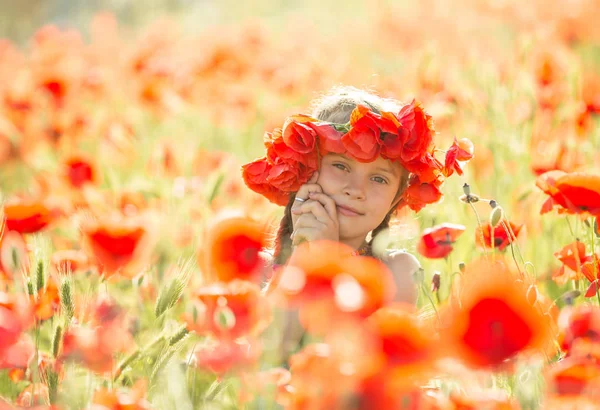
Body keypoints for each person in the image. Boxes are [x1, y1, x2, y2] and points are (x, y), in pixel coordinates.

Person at [242, 85, 468, 361]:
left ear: (396, 199)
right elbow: (263, 357)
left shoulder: (397, 273)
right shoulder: (261, 270)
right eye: (341, 166)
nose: (356, 189)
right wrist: (306, 258)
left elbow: (363, 365)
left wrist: (327, 258)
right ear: (306, 172)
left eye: (378, 179)